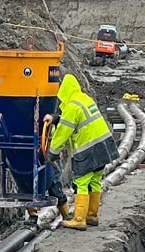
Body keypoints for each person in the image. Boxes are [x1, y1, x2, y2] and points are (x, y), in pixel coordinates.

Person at [49, 73, 119, 229]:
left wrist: (52, 152)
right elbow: (75, 120)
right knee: (95, 181)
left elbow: (63, 132)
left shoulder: (72, 106)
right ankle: (92, 216)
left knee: (81, 182)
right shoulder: (84, 99)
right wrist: (55, 118)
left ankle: (79, 219)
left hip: (88, 149)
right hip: (104, 145)